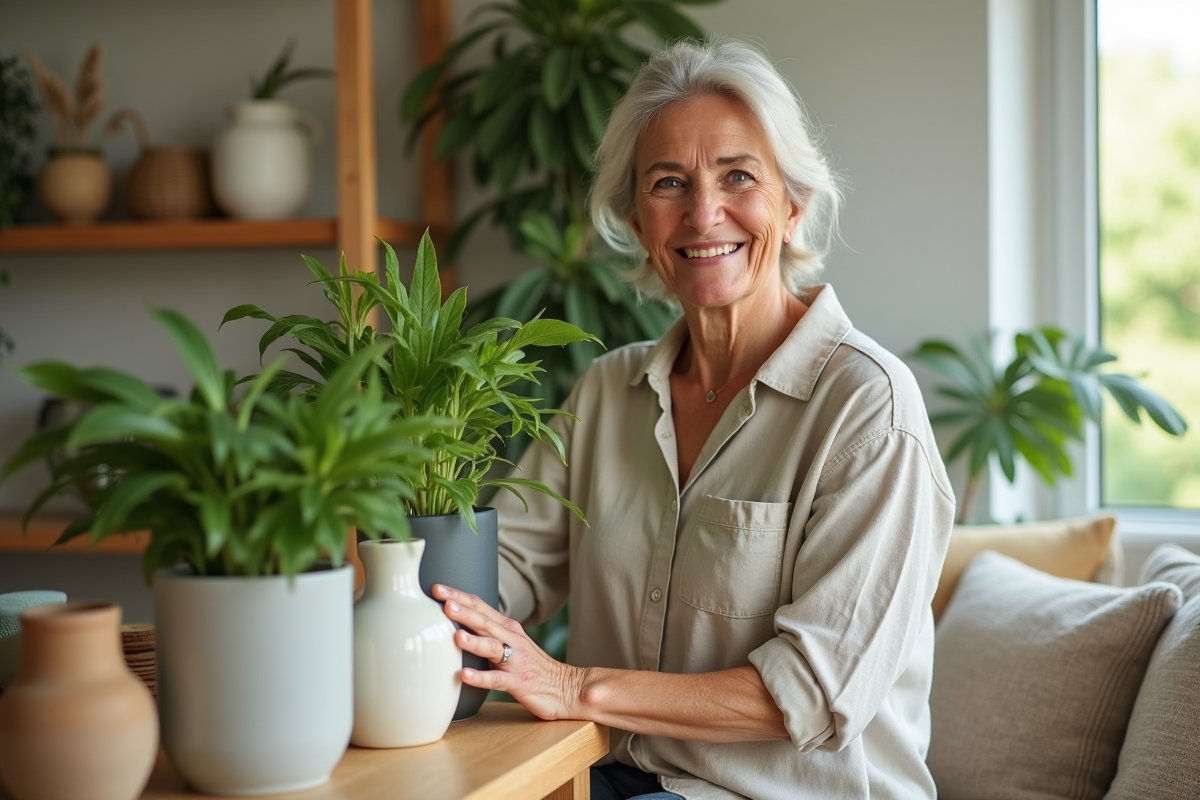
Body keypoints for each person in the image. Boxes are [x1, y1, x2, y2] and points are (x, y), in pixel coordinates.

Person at [433, 39, 955, 800]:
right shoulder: (608, 390)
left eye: (738, 176)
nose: (703, 213)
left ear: (792, 202)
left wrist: (576, 686)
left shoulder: (869, 406)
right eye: (668, 182)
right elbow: (502, 575)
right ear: (639, 221)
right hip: (612, 780)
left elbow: (809, 691)